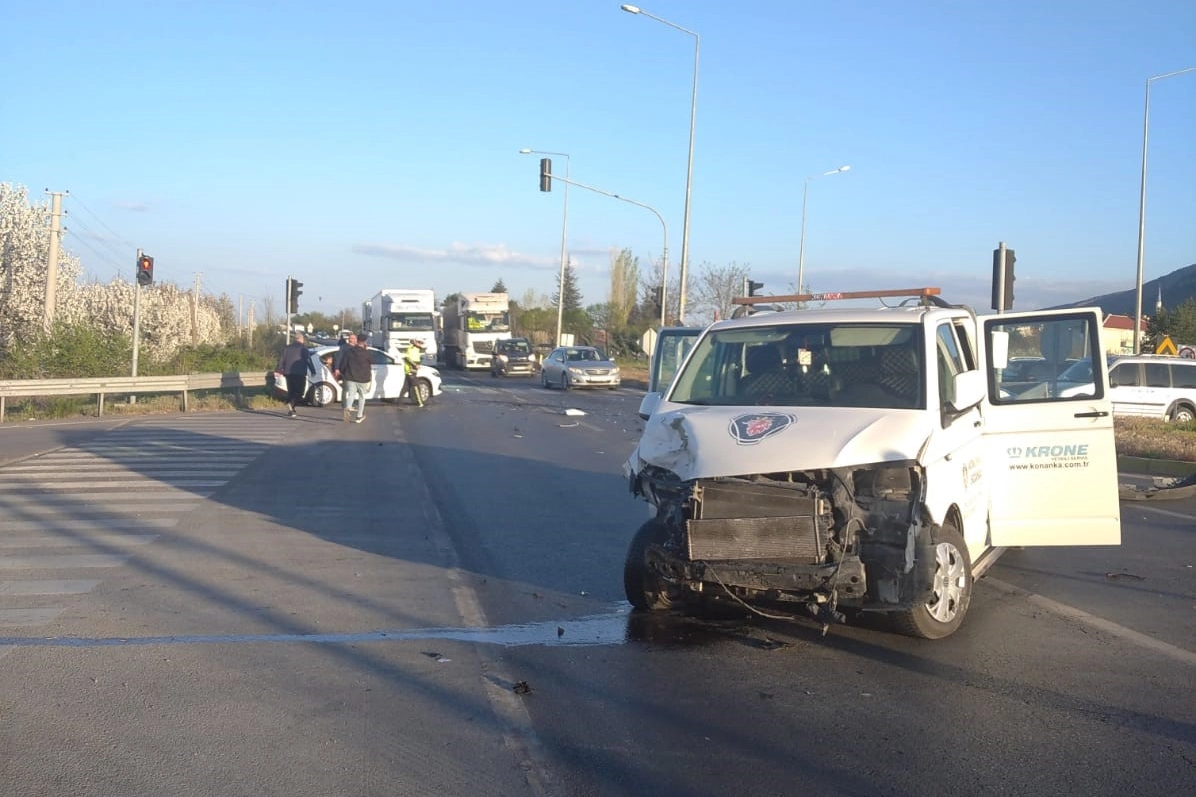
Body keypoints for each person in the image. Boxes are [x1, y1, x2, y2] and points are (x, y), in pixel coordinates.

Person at [276, 331, 315, 418]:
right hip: (300, 373)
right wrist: (312, 370)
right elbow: (308, 360)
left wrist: (279, 369)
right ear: (301, 339)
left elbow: (281, 360)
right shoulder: (303, 348)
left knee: (291, 390)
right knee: (300, 392)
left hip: (288, 373)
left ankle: (291, 409)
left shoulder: (287, 348)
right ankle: (290, 404)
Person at [340, 333, 373, 423]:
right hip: (363, 378)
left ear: (357, 340)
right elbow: (372, 362)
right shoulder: (367, 353)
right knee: (362, 396)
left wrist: (343, 373)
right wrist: (366, 349)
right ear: (365, 342)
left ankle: (348, 407)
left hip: (350, 377)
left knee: (351, 394)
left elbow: (343, 365)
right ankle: (359, 417)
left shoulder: (349, 352)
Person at [403, 339, 426, 407]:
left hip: (412, 369)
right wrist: (415, 366)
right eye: (418, 343)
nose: (420, 344)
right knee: (416, 386)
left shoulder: (417, 349)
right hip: (411, 370)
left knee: (405, 388)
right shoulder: (411, 349)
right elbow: (407, 359)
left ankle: (399, 403)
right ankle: (420, 402)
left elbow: (423, 345)